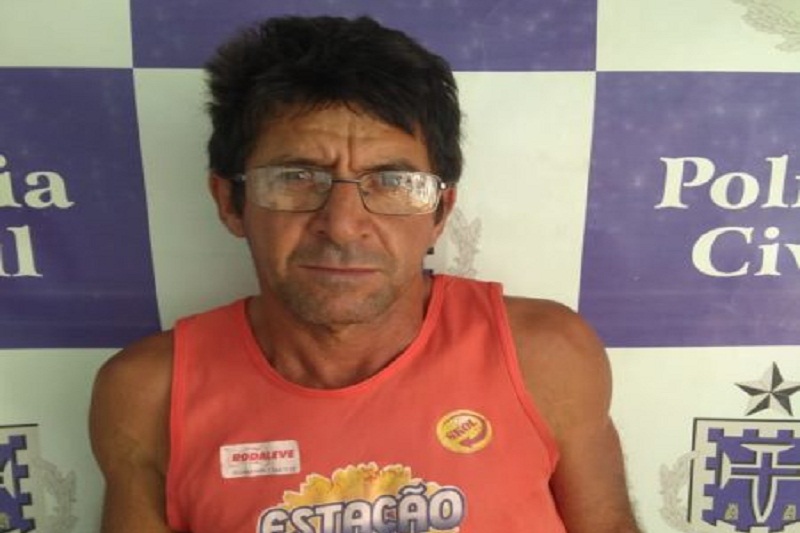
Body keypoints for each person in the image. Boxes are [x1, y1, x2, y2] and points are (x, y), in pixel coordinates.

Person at [89, 15, 640, 533]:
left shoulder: (545, 355)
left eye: (392, 181)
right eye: (297, 176)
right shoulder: (147, 393)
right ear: (231, 202)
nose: (343, 225)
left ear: (440, 212)